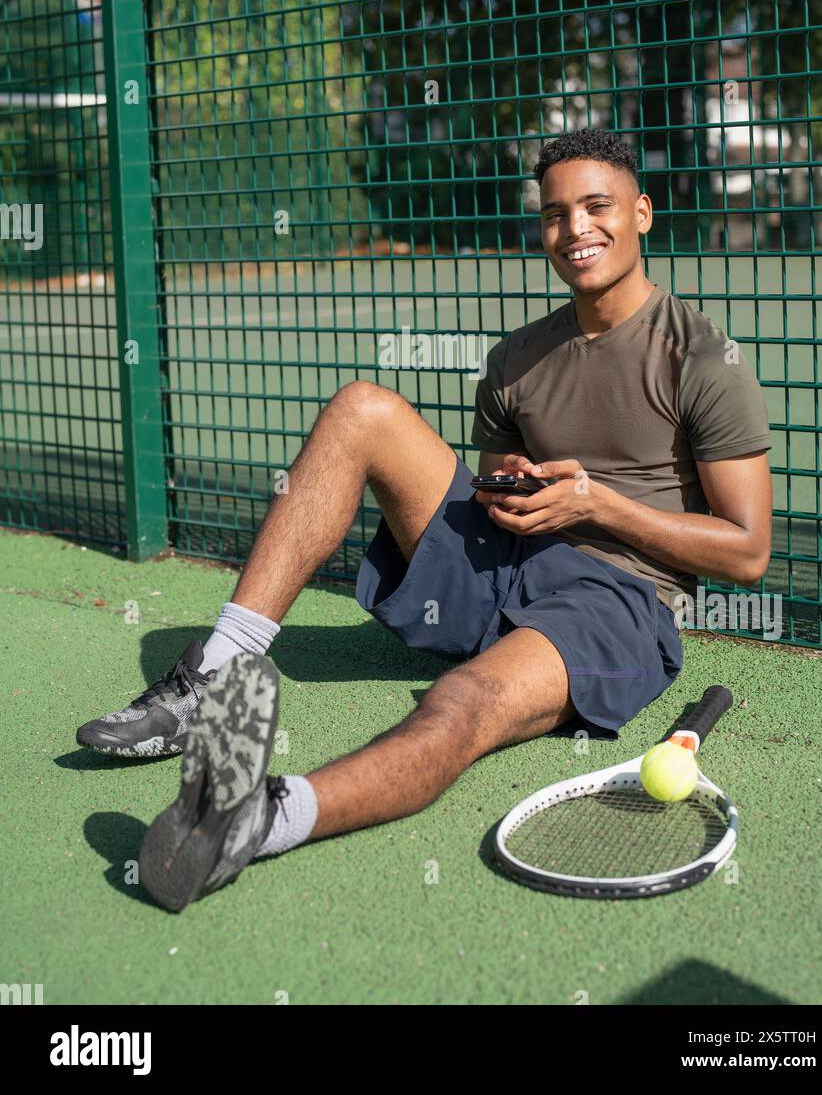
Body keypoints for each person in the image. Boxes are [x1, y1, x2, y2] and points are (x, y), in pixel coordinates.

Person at [77, 128, 773, 911]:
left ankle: (258, 822)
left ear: (641, 213)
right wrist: (508, 491)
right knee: (361, 409)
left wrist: (599, 503)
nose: (575, 229)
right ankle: (216, 674)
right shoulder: (515, 360)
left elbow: (748, 554)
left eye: (596, 207)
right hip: (514, 562)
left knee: (461, 703)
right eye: (555, 214)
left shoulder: (703, 359)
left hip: (618, 603)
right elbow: (495, 485)